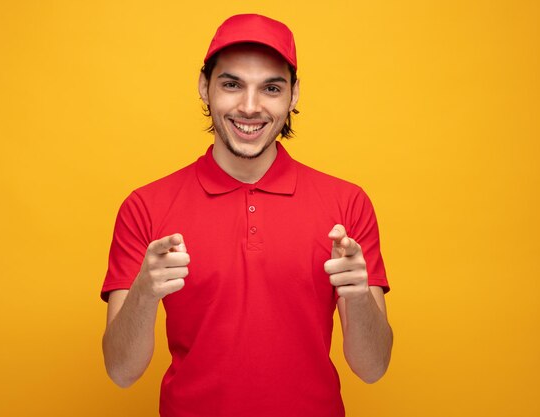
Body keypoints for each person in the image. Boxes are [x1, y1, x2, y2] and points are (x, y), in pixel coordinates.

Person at [101, 14, 393, 417]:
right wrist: (144, 293)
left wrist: (359, 297)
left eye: (271, 88)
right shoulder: (146, 206)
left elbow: (373, 368)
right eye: (232, 84)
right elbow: (120, 371)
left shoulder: (347, 203)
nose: (250, 107)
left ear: (293, 95)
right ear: (204, 87)